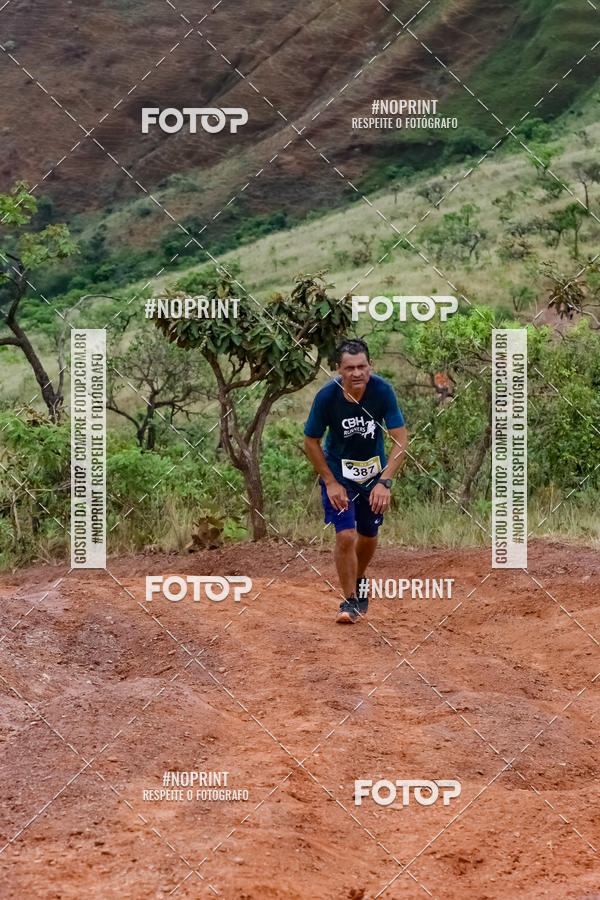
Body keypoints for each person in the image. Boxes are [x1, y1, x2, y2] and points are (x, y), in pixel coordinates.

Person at [303, 338, 407, 624]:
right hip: (339, 473)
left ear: (370, 366)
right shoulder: (327, 397)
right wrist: (330, 482)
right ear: (339, 369)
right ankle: (349, 602)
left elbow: (401, 442)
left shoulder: (383, 391)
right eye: (350, 368)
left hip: (373, 475)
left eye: (362, 366)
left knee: (369, 536)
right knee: (346, 534)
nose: (357, 373)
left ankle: (359, 578)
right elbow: (310, 441)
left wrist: (384, 482)